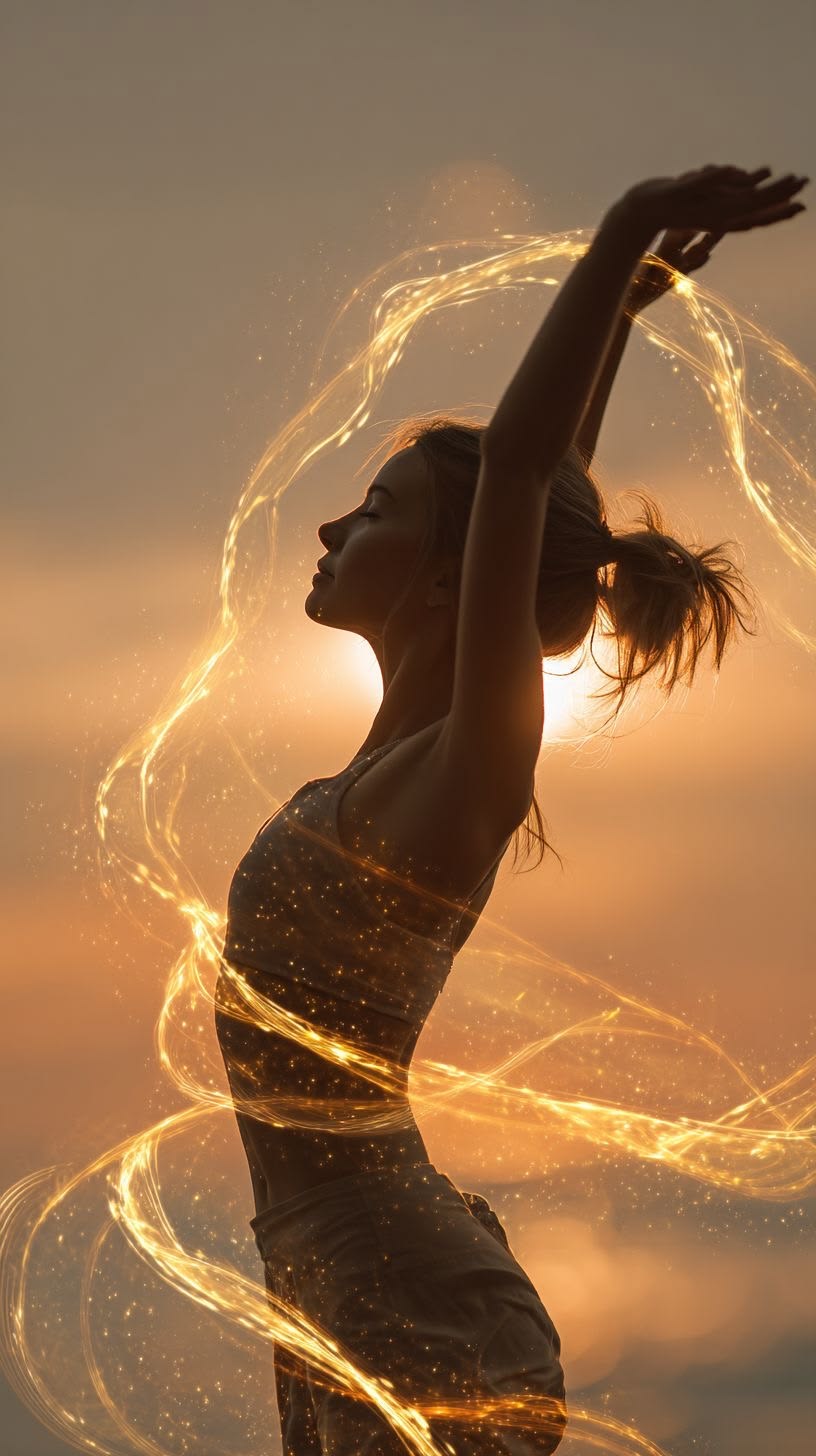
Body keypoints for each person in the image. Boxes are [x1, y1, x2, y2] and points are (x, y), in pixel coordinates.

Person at [215, 163, 807, 1454]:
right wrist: (627, 313)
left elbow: (526, 477)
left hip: (401, 1289)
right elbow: (536, 484)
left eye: (373, 514)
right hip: (337, 1280)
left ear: (446, 582)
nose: (328, 525)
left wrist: (621, 231)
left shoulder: (463, 772)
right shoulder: (400, 762)